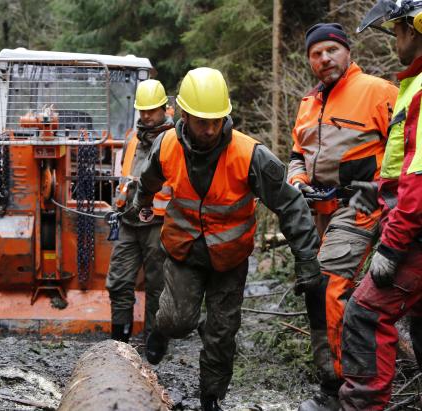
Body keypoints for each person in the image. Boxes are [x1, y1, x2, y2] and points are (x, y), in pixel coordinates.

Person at [133, 67, 321, 411]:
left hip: (229, 260)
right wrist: (140, 203)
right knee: (178, 321)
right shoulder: (166, 145)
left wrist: (307, 261)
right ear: (185, 115)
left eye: (217, 120)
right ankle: (160, 330)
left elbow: (291, 205)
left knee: (222, 333)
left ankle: (210, 399)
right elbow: (147, 180)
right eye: (202, 121)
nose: (210, 129)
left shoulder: (250, 155)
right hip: (184, 252)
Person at [287, 23, 398, 411]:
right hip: (322, 209)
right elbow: (297, 153)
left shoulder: (378, 91)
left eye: (331, 50)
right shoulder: (308, 102)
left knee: (332, 284)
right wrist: (298, 180)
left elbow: (407, 146)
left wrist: (385, 189)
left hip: (365, 202)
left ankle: (339, 388)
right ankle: (332, 372)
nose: (324, 59)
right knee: (319, 287)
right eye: (316, 54)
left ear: (347, 51)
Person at [338, 2, 422, 409]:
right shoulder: (414, 85)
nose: (396, 43)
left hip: (415, 235)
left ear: (415, 28)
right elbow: (403, 170)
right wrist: (369, 190)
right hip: (410, 221)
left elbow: (419, 184)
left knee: (365, 313)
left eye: (399, 31)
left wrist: (389, 248)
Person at [106, 79, 174, 343]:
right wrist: (117, 206)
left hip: (159, 225)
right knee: (118, 282)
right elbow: (123, 175)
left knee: (157, 288)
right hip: (128, 222)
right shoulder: (131, 140)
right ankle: (118, 341)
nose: (146, 116)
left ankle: (153, 343)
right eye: (142, 111)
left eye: (151, 111)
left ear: (163, 109)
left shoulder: (174, 141)